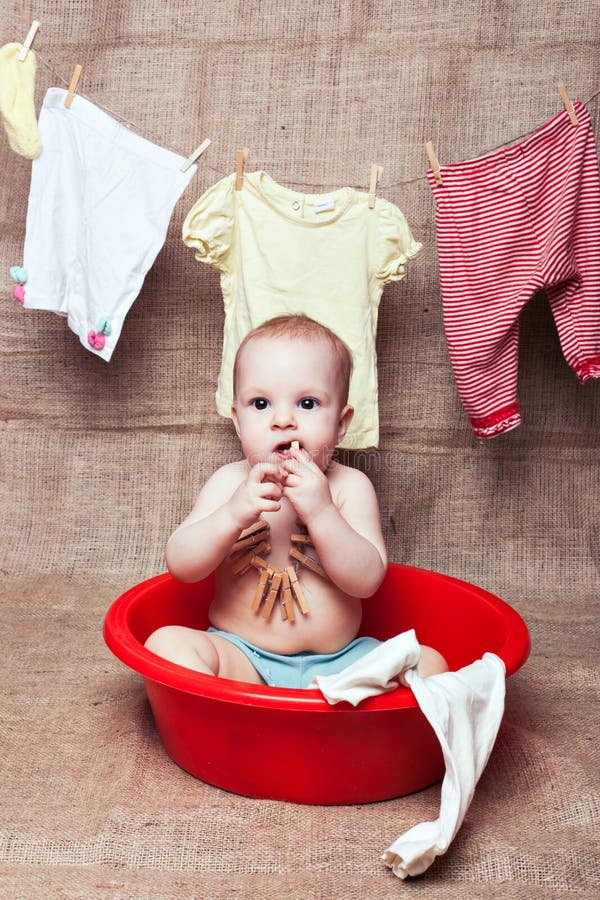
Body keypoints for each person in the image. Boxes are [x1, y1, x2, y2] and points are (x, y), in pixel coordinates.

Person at [144, 314, 447, 687]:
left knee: (429, 662)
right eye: (260, 404)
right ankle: (240, 713)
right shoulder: (229, 483)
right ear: (237, 420)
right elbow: (182, 565)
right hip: (242, 658)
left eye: (307, 403)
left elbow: (367, 581)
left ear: (341, 423)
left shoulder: (349, 486)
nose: (283, 420)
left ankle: (341, 719)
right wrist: (232, 514)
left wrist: (322, 512)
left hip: (341, 665)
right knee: (164, 643)